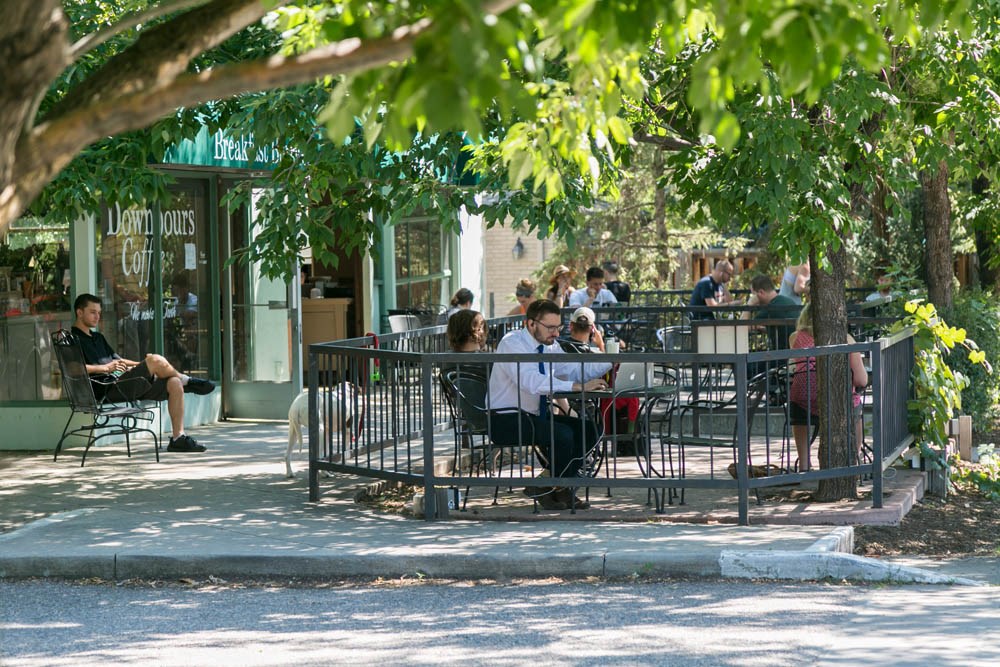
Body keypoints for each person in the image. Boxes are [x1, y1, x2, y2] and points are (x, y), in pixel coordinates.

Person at [487, 299, 611, 510]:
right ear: (531, 324)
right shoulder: (511, 343)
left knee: (590, 429)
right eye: (550, 327)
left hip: (533, 416)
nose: (555, 333)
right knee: (563, 434)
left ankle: (549, 484)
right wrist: (576, 386)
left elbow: (572, 370)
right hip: (505, 418)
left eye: (558, 327)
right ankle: (556, 488)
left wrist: (612, 359)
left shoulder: (550, 345)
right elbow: (531, 381)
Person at [70, 293, 216, 453]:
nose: (97, 316)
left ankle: (178, 438)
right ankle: (188, 380)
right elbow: (73, 369)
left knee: (173, 383)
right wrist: (105, 368)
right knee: (156, 361)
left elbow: (120, 361)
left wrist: (143, 365)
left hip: (121, 385)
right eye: (93, 312)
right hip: (105, 390)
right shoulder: (72, 338)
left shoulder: (98, 337)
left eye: (99, 312)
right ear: (79, 312)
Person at [789, 302, 868, 472]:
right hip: (837, 398)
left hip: (804, 400)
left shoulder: (795, 337)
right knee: (856, 404)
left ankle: (804, 464)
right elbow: (861, 380)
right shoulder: (845, 339)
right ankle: (854, 460)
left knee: (798, 401)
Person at [741, 274, 800, 351]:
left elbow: (741, 327)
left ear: (761, 292)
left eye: (754, 295)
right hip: (796, 353)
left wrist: (749, 304)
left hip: (782, 357)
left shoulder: (769, 309)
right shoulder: (787, 300)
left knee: (749, 362)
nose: (753, 298)